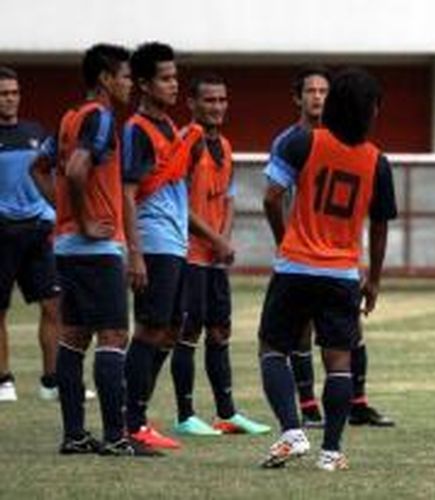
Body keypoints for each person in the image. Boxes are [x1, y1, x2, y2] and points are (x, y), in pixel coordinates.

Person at [258, 68, 397, 471]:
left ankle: (292, 431)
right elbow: (381, 224)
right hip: (342, 275)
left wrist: (287, 238)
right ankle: (331, 452)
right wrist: (373, 279)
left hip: (295, 267)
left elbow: (271, 197)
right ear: (370, 111)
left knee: (273, 349)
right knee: (339, 362)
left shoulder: (304, 143)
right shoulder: (378, 162)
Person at [32, 43, 158, 456]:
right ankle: (117, 437)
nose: (127, 84)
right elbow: (75, 169)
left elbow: (40, 168)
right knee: (114, 335)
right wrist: (85, 220)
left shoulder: (70, 118)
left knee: (73, 337)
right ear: (105, 79)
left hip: (67, 247)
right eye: (123, 76)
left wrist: (64, 212)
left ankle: (74, 435)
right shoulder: (101, 118)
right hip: (95, 249)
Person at [169, 74, 270, 436]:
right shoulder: (185, 142)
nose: (217, 107)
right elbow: (177, 204)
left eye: (222, 100)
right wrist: (216, 240)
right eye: (209, 101)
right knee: (188, 330)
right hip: (189, 254)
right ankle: (184, 415)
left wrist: (224, 240)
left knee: (219, 331)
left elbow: (227, 198)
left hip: (213, 256)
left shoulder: (224, 145)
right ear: (192, 104)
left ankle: (226, 413)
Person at [122, 42, 201, 450]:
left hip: (175, 241)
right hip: (152, 241)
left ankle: (132, 410)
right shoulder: (138, 129)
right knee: (150, 328)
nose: (174, 85)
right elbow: (127, 192)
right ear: (143, 84)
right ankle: (131, 423)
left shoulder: (171, 127)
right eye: (166, 78)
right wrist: (134, 252)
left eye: (175, 77)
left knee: (171, 327)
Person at [0, 66, 60, 402]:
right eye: (3, 93)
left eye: (14, 92)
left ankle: (52, 381)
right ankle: (3, 381)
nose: (10, 99)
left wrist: (53, 213)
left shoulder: (37, 132)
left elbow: (51, 174)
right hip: (2, 232)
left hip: (38, 231)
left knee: (54, 306)